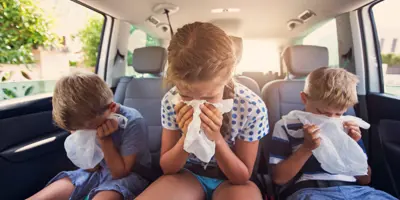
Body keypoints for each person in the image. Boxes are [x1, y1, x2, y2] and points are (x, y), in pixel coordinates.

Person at [136, 22, 269, 200]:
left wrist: (216, 138)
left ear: (229, 75)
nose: (197, 104)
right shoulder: (171, 101)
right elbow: (168, 168)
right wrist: (187, 136)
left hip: (230, 180)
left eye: (208, 98)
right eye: (186, 95)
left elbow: (241, 176)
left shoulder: (251, 107)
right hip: (187, 174)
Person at [269, 67, 396, 200]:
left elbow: (365, 179)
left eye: (339, 114)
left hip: (357, 191)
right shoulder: (286, 126)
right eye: (323, 113)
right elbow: (279, 178)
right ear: (304, 98)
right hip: (310, 190)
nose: (331, 119)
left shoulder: (347, 126)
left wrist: (352, 144)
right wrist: (307, 148)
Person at [28, 73, 151, 200]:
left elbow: (120, 173)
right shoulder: (80, 123)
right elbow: (91, 167)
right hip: (97, 171)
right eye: (76, 130)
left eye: (90, 128)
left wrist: (105, 141)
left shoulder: (133, 121)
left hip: (131, 175)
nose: (83, 133)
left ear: (112, 108)